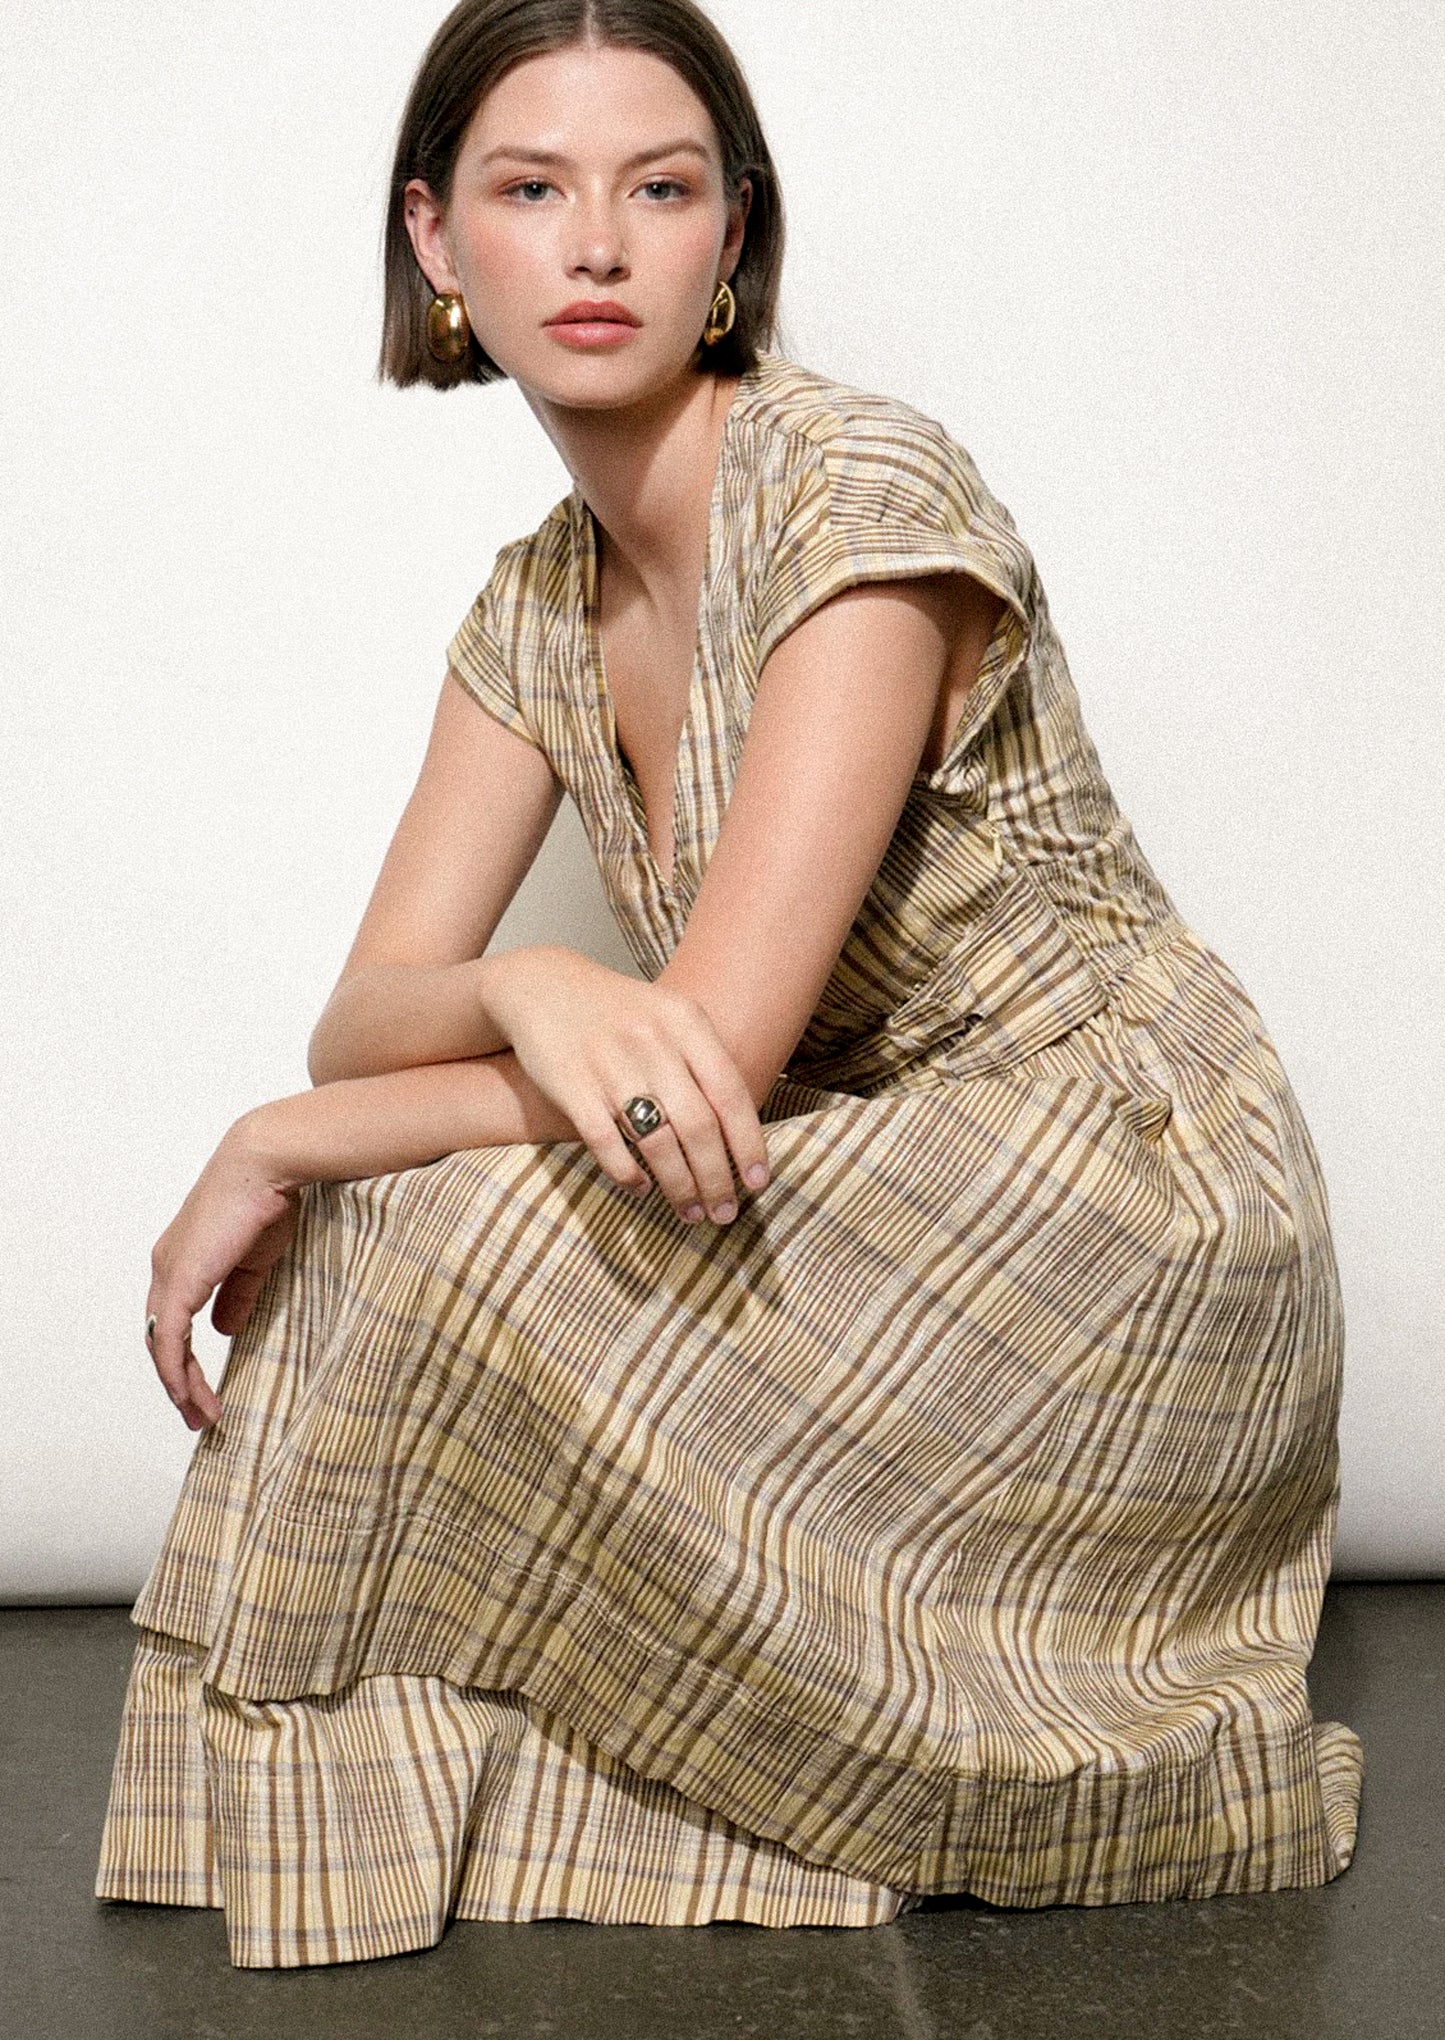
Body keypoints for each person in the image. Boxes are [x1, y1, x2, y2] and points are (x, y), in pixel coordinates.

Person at [95, 0, 1362, 1972]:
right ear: (438, 245)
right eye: (533, 190)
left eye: (659, 189)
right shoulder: (536, 602)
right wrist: (528, 988)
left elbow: (697, 1077)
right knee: (391, 1205)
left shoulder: (854, 499)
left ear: (733, 240)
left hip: (1122, 1190)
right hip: (866, 1163)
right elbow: (371, 1012)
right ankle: (439, 1824)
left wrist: (277, 1137)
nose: (595, 247)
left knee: (415, 1220)